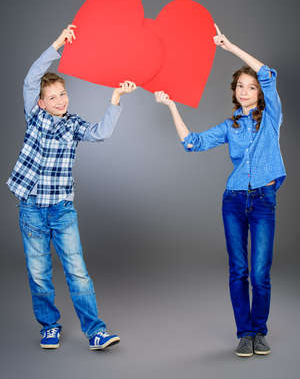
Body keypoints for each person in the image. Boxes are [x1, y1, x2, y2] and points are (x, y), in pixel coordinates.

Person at [154, 24, 286, 357]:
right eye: (240, 86)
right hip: (233, 201)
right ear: (234, 91)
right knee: (239, 270)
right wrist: (171, 105)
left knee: (260, 272)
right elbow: (192, 143)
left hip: (263, 202)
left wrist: (228, 46)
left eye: (251, 87)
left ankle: (260, 332)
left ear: (259, 93)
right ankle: (245, 334)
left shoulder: (271, 117)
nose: (245, 91)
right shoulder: (231, 126)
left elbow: (268, 72)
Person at [7, 24, 137, 350]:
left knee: (77, 273)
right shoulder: (34, 117)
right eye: (52, 97)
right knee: (39, 275)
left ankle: (96, 331)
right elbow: (30, 79)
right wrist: (57, 44)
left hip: (62, 209)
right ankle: (49, 326)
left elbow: (102, 132)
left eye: (63, 93)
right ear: (40, 102)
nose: (60, 100)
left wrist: (115, 98)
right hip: (32, 207)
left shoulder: (74, 125)